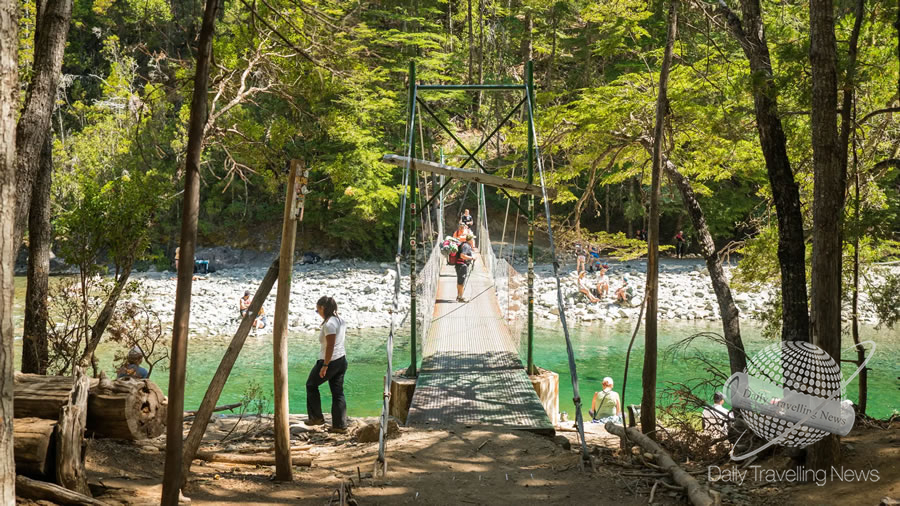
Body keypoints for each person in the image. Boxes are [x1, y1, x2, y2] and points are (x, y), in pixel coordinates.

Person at [306, 296, 349, 431]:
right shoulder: (340, 320)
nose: (317, 312)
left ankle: (316, 417)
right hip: (341, 360)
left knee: (311, 385)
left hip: (330, 361)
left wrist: (325, 365)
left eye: (317, 309)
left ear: (323, 308)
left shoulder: (329, 324)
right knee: (337, 393)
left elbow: (330, 346)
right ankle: (340, 425)